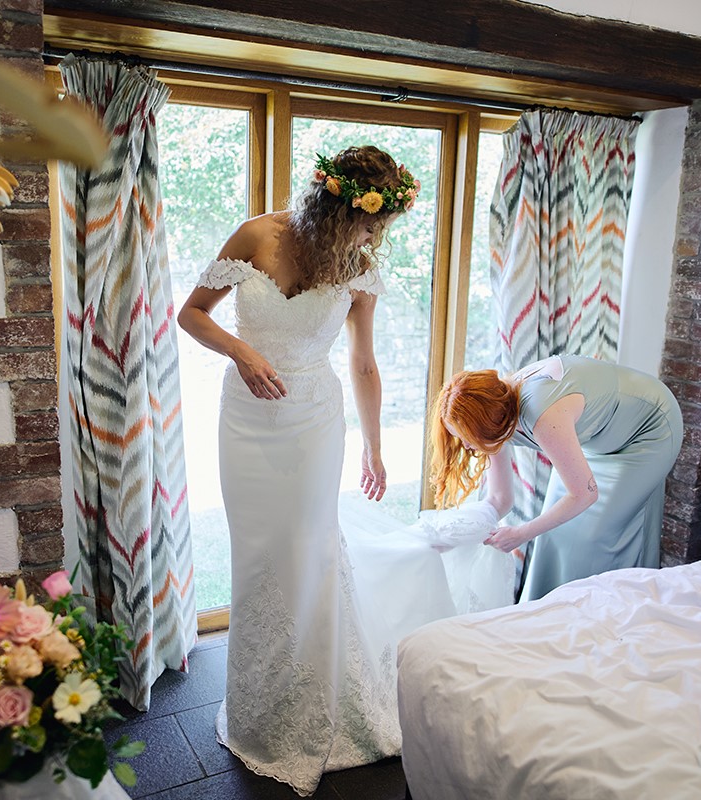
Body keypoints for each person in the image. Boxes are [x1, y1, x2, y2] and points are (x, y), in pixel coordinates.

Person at [176, 145, 421, 796]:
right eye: (367, 223)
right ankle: (261, 708)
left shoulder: (359, 268)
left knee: (309, 553)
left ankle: (318, 706)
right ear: (333, 204)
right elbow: (192, 313)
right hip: (246, 423)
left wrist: (373, 448)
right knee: (259, 558)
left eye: (377, 228)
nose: (371, 237)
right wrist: (241, 352)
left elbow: (364, 365)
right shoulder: (257, 234)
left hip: (313, 419)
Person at [429, 354, 684, 602]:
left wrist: (521, 533)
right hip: (598, 439)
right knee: (553, 532)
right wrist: (460, 533)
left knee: (593, 537)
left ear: (488, 426)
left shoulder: (542, 413)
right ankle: (549, 613)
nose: (466, 445)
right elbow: (499, 498)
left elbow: (585, 494)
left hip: (647, 432)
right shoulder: (496, 409)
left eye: (466, 438)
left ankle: (602, 613)